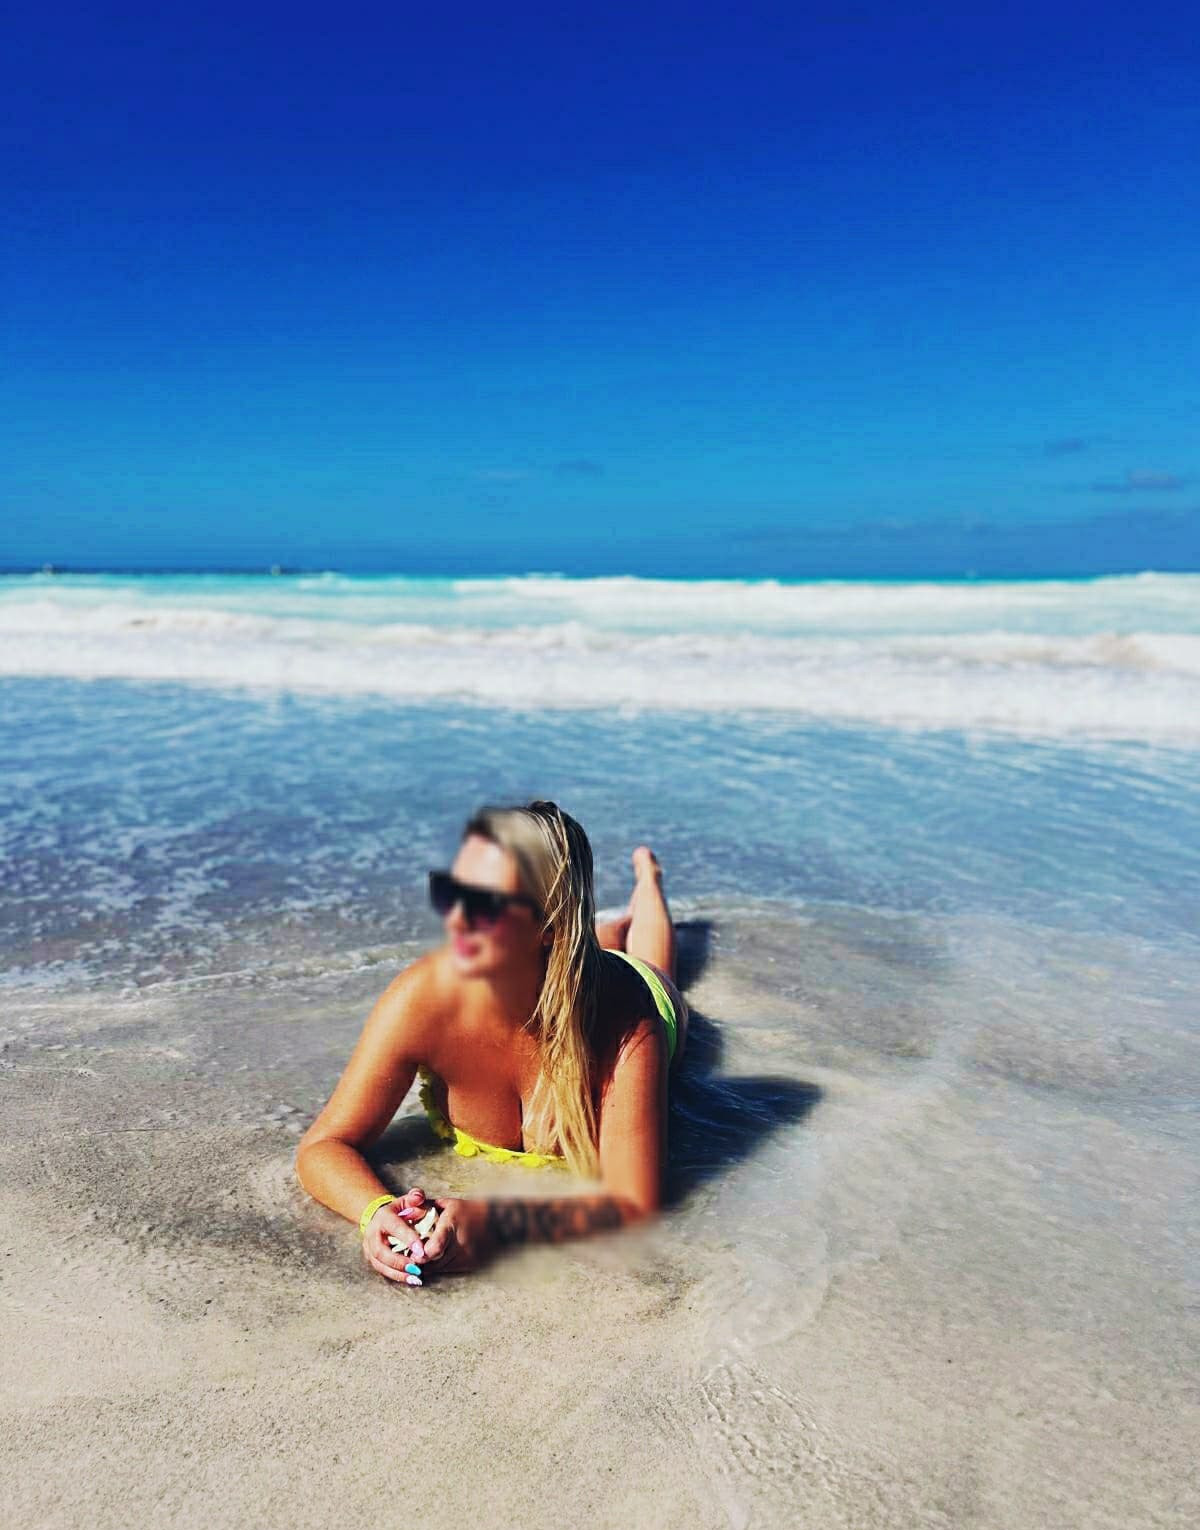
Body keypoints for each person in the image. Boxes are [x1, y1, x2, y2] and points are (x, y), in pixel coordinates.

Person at [294, 800, 689, 1284]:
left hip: (633, 990)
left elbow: (633, 1202)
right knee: (597, 943)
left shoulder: (629, 1026)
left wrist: (499, 1225)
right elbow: (323, 1145)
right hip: (563, 963)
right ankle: (606, 930)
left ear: (549, 926)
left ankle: (648, 882)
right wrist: (374, 1210)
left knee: (657, 966)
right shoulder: (422, 1001)